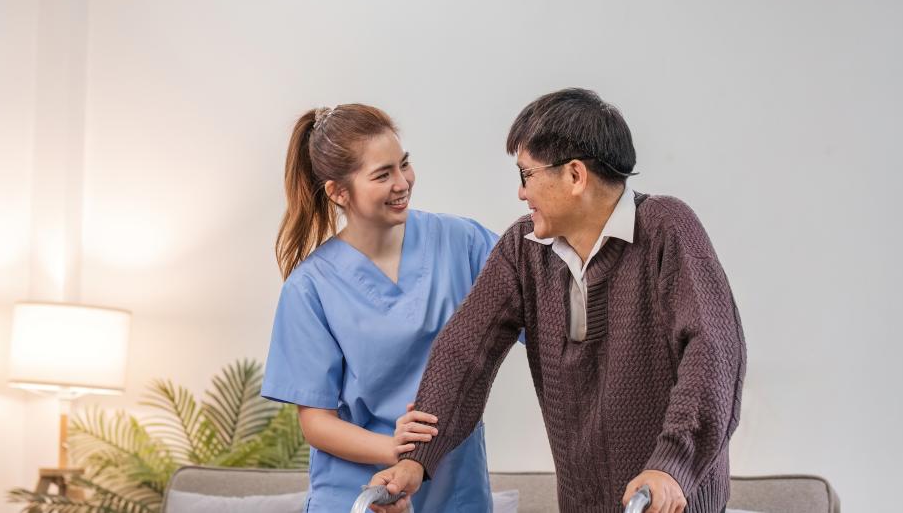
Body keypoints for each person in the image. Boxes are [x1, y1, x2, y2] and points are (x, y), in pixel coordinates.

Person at [370, 88, 747, 513]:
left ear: (574, 176)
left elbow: (714, 351)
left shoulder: (666, 228)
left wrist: (671, 465)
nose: (520, 193)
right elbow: (464, 353)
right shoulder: (523, 248)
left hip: (672, 501)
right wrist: (416, 461)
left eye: (525, 175)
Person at [261, 103, 496, 512]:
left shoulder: (463, 242)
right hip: (358, 490)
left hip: (455, 489)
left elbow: (545, 301)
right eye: (382, 175)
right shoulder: (311, 288)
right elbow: (316, 423)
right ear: (338, 192)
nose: (403, 182)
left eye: (404, 165)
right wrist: (398, 452)